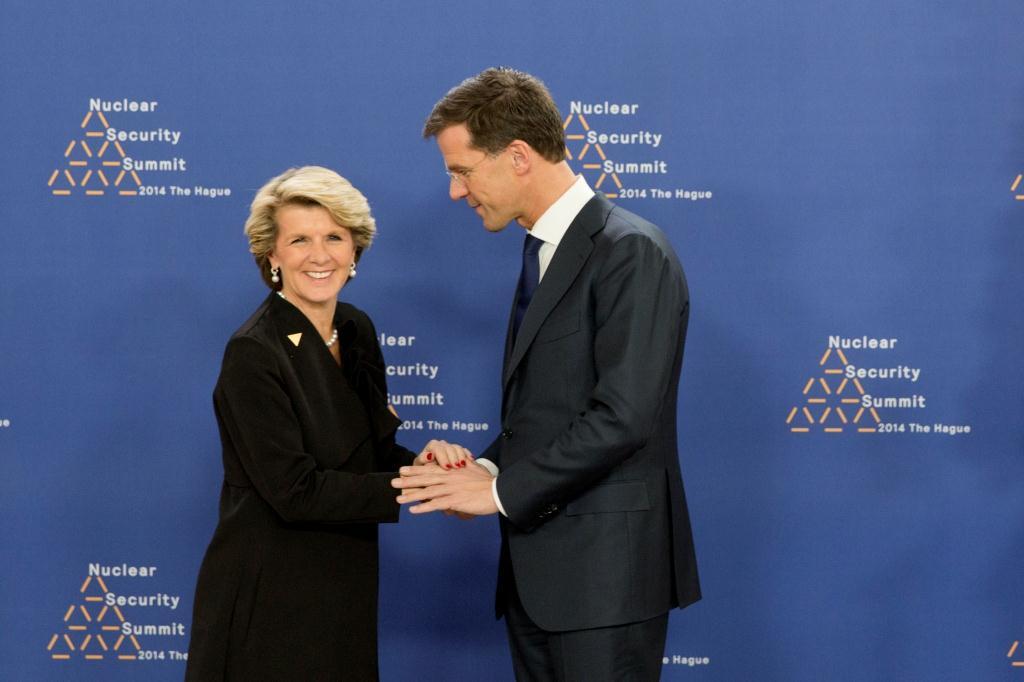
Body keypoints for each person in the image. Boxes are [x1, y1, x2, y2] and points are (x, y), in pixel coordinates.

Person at [392, 68, 701, 681]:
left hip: (603, 583)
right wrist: (482, 468)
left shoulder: (630, 250)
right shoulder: (541, 249)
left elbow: (623, 416)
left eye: (462, 170)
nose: (456, 192)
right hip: (543, 580)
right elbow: (551, 411)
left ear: (518, 156)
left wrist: (500, 494)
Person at [185, 166, 470, 681]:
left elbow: (369, 452)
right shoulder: (254, 351)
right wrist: (415, 485)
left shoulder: (356, 328)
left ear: (355, 249)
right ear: (272, 256)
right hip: (270, 592)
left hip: (345, 582)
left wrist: (427, 464)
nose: (320, 256)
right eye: (299, 240)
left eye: (334, 237)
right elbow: (296, 490)